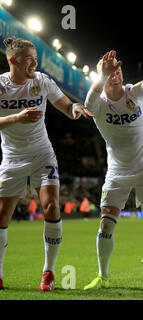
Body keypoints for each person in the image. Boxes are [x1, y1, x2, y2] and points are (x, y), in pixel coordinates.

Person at [0, 37, 92, 291]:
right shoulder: (0, 85)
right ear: (13, 60)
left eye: (36, 59)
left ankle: (48, 272)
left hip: (42, 154)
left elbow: (64, 104)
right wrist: (17, 117)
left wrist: (74, 109)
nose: (35, 63)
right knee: (1, 215)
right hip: (12, 157)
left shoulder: (42, 81)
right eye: (29, 59)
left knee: (51, 205)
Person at [83, 43, 143, 291]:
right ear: (102, 77)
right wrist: (102, 75)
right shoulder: (98, 103)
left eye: (118, 71)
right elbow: (87, 105)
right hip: (117, 172)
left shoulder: (134, 92)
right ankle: (103, 276)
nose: (116, 75)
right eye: (110, 72)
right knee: (106, 223)